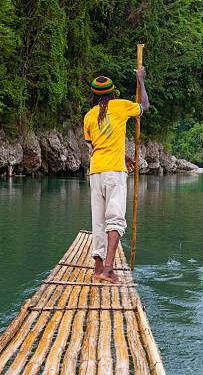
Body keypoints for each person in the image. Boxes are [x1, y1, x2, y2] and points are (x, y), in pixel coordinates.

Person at [83, 68, 149, 283]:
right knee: (115, 220)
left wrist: (125, 156)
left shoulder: (89, 116)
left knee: (99, 220)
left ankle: (98, 267)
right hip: (113, 172)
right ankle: (109, 270)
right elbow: (144, 107)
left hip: (96, 172)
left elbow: (96, 146)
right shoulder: (120, 106)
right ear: (112, 92)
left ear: (93, 94)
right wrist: (140, 80)